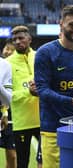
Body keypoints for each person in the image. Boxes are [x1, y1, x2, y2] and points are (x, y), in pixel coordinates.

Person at [34, 5, 73, 168]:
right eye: (72, 24)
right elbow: (42, 90)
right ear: (61, 24)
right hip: (53, 128)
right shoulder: (45, 52)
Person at [6, 25, 40, 168]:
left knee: (46, 162)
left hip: (43, 119)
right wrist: (28, 92)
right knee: (22, 163)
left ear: (29, 39)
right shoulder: (7, 64)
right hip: (22, 123)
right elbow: (6, 95)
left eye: (21, 38)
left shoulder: (40, 56)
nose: (18, 42)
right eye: (15, 39)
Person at [0, 40, 16, 168]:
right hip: (5, 111)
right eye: (7, 48)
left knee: (12, 154)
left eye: (12, 49)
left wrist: (5, 112)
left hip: (11, 113)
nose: (8, 51)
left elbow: (6, 95)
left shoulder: (5, 66)